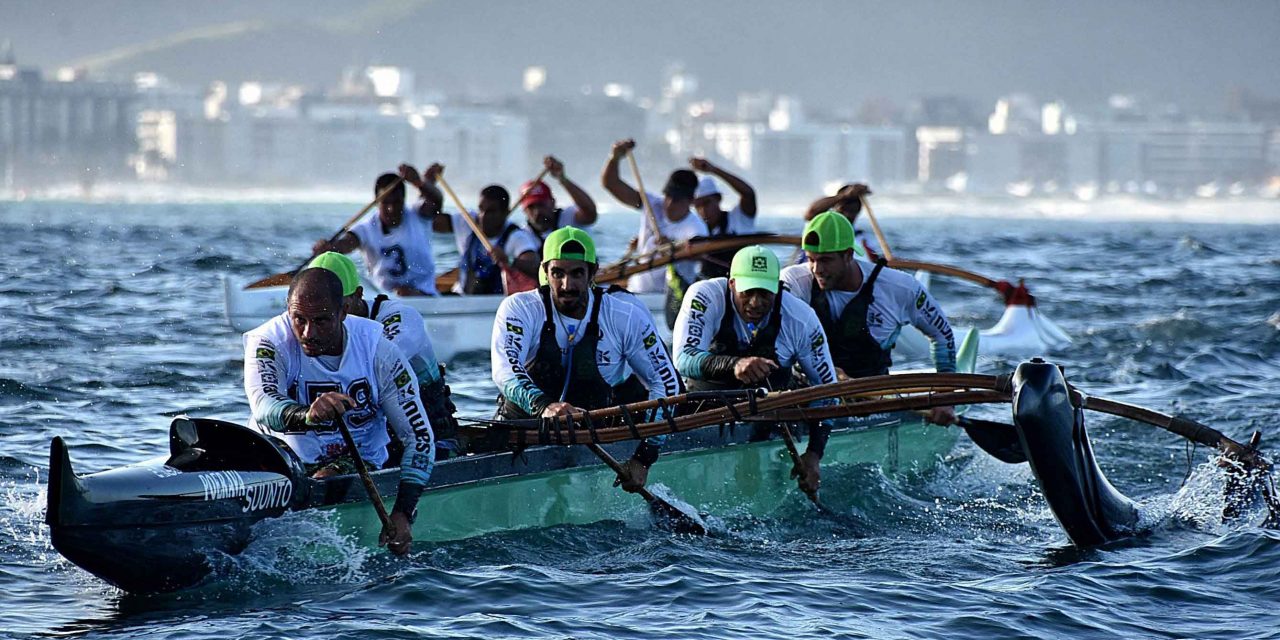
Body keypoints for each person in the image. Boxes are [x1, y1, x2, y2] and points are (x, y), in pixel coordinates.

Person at [243, 268, 435, 555]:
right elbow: (264, 407)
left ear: (343, 311)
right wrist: (307, 415)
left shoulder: (378, 351)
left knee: (323, 479)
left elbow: (418, 437)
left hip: (355, 460)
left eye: (321, 320)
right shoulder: (268, 342)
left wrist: (403, 513)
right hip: (280, 457)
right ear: (288, 310)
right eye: (299, 320)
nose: (308, 333)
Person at [491, 227, 681, 492]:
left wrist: (644, 457)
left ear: (593, 272)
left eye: (577, 273)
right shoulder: (519, 309)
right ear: (545, 271)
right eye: (558, 273)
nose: (567, 285)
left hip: (591, 436)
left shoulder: (625, 316)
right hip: (523, 432)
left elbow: (667, 384)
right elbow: (504, 371)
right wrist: (544, 406)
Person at [672, 245, 837, 495]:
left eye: (765, 293)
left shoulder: (801, 318)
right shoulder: (704, 296)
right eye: (747, 292)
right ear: (731, 284)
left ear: (778, 289)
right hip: (707, 410)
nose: (755, 303)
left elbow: (828, 391)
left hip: (771, 417)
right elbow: (682, 358)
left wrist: (814, 454)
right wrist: (734, 365)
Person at [781, 212, 957, 426]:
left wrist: (945, 397)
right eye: (811, 259)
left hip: (873, 399)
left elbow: (943, 335)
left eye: (826, 260)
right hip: (808, 393)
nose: (817, 269)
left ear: (848, 255)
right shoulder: (794, 282)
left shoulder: (900, 288)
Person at [308, 251, 461, 459]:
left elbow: (381, 363)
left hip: (429, 431)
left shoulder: (402, 318)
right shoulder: (311, 327)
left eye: (339, 304)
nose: (332, 316)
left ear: (358, 294)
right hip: (364, 434)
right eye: (321, 309)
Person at [600, 139, 710, 294]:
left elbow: (701, 255)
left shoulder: (696, 228)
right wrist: (615, 157)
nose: (669, 204)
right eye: (668, 195)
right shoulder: (651, 204)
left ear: (691, 201)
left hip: (669, 298)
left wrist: (673, 246)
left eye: (677, 199)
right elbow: (610, 184)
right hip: (636, 292)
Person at [312, 165, 439, 296]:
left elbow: (436, 200)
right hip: (384, 297)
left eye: (396, 202)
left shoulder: (419, 216)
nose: (391, 208)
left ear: (404, 200)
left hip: (425, 295)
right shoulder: (366, 228)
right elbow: (346, 243)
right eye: (385, 202)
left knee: (404, 293)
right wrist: (330, 248)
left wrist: (418, 183)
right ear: (377, 202)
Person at [416, 166, 539, 295]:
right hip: (462, 297)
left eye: (491, 211)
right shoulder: (469, 222)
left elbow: (534, 265)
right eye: (481, 209)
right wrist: (426, 186)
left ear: (505, 213)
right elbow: (427, 220)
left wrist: (509, 260)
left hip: (497, 302)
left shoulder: (517, 236)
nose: (483, 217)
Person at [689, 156, 758, 279]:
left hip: (744, 283)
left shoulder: (739, 218)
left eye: (707, 203)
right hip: (710, 287)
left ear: (718, 199)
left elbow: (748, 193)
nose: (703, 210)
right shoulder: (694, 230)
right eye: (698, 206)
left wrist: (714, 170)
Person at [516, 155, 599, 251]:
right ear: (524, 210)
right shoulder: (522, 236)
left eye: (541, 205)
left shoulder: (569, 218)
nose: (537, 211)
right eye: (531, 207)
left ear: (552, 203)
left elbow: (590, 213)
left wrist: (562, 179)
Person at [804, 183, 881, 260]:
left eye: (852, 211)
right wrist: (843, 196)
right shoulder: (822, 228)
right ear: (835, 208)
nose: (847, 215)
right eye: (843, 210)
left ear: (858, 210)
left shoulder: (862, 237)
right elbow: (810, 213)